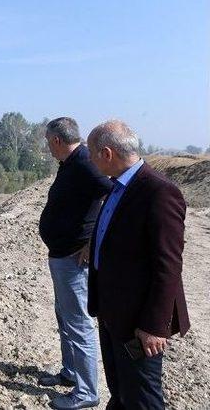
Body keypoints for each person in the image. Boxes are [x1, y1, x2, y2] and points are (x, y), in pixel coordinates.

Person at [86, 120, 190, 409]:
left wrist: (154, 325)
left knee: (142, 398)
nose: (90, 160)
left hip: (138, 321)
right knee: (120, 391)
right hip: (112, 311)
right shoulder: (118, 187)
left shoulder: (158, 192)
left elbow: (168, 266)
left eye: (91, 153)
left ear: (106, 153)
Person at [38, 117, 113, 410]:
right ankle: (70, 372)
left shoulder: (85, 162)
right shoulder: (72, 163)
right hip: (61, 255)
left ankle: (86, 393)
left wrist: (92, 240)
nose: (47, 148)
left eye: (48, 142)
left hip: (72, 259)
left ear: (57, 140)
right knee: (64, 316)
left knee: (78, 323)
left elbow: (114, 193)